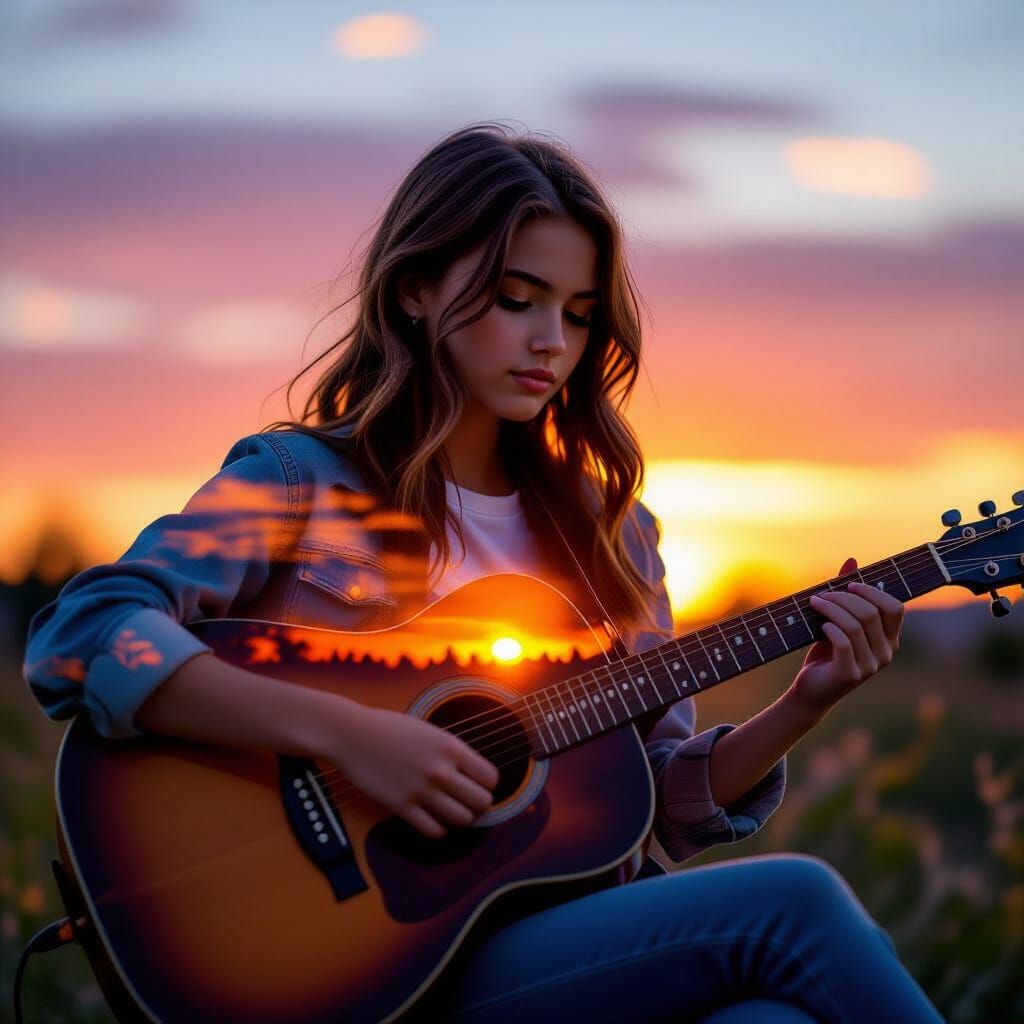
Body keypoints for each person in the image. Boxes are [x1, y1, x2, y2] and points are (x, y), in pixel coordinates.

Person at [22, 123, 944, 1023]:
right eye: (517, 298)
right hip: (357, 963)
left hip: (533, 950)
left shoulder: (615, 535)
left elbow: (648, 807)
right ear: (417, 290)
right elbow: (82, 637)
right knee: (795, 905)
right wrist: (351, 735)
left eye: (580, 315)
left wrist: (803, 704)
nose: (553, 340)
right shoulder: (299, 482)